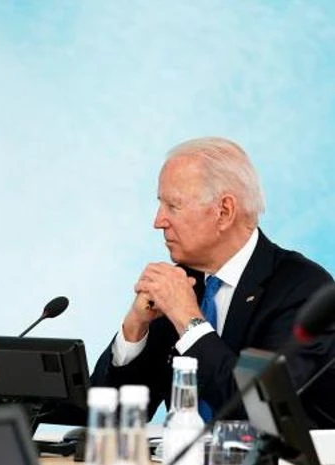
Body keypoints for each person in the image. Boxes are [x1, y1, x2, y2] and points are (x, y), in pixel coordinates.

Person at [91, 137, 335, 428]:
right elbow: (111, 418)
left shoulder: (303, 289)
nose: (158, 221)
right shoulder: (183, 282)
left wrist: (189, 322)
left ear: (224, 211)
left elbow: (260, 410)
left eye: (173, 206)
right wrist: (134, 329)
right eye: (160, 204)